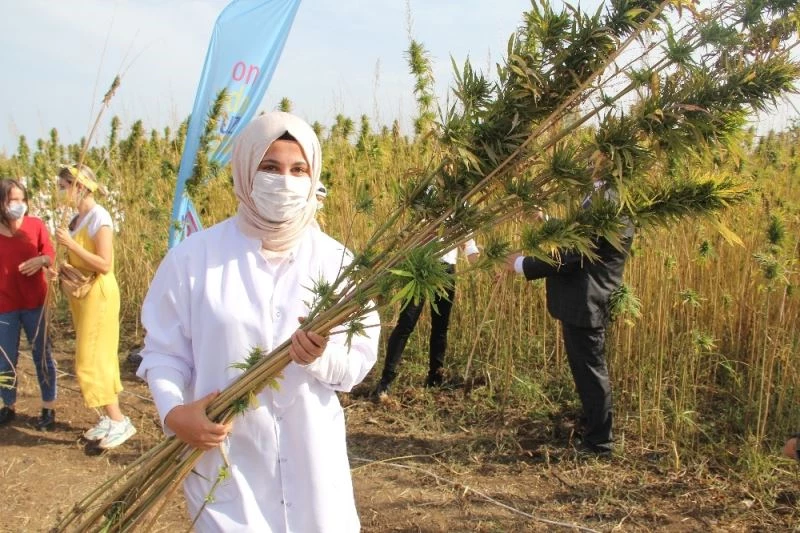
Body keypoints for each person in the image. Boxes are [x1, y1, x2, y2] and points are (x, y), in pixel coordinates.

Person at [137, 112, 380, 532]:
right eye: (270, 167)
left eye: (297, 169)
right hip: (227, 471)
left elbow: (357, 362)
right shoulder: (194, 259)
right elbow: (164, 352)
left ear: (313, 176)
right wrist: (175, 414)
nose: (284, 181)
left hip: (314, 473)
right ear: (246, 169)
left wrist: (319, 358)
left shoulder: (338, 263)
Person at [505, 183, 634, 456]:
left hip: (588, 300)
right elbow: (578, 236)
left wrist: (521, 263)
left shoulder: (607, 202)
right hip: (583, 300)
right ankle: (591, 425)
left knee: (591, 370)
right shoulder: (602, 196)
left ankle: (599, 443)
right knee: (585, 369)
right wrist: (545, 219)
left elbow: (571, 254)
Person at [55, 164, 136, 449]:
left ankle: (119, 421)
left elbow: (105, 263)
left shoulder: (99, 217)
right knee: (98, 356)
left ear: (80, 187)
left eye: (64, 186)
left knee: (90, 359)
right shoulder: (77, 219)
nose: (60, 191)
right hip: (82, 295)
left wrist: (71, 244)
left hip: (99, 294)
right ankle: (107, 416)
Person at [373, 239, 480, 398]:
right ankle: (385, 381)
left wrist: (487, 266)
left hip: (445, 270)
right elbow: (412, 235)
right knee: (406, 324)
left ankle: (435, 378)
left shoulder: (459, 215)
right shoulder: (427, 214)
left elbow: (469, 247)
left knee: (441, 325)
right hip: (420, 265)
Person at [0, 178, 58, 431]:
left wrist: (42, 260)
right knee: (5, 360)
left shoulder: (35, 225)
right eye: (14, 200)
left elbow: (51, 253)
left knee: (42, 355)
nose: (19, 205)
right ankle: (8, 405)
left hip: (35, 302)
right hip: (5, 306)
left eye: (23, 200)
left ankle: (48, 407)